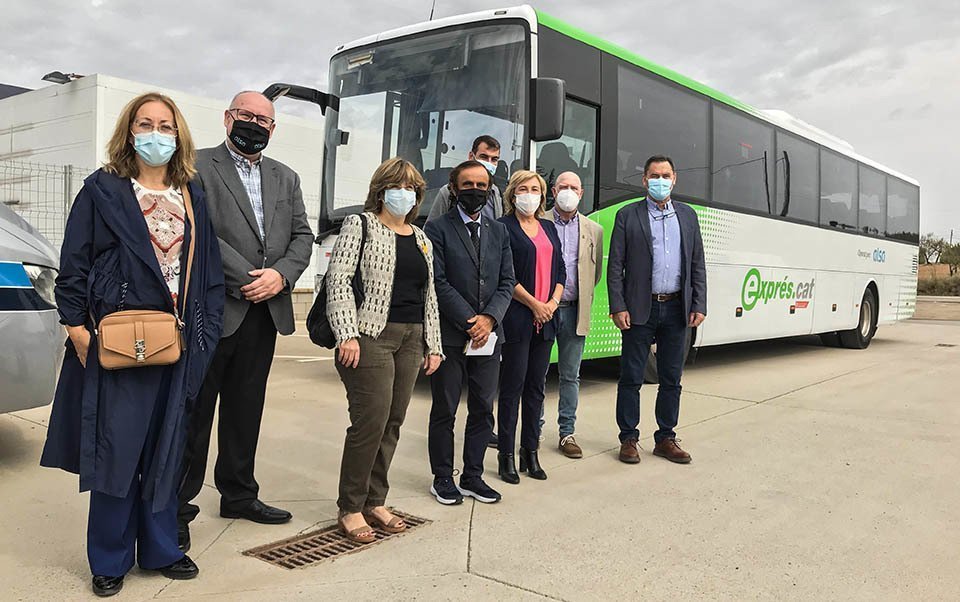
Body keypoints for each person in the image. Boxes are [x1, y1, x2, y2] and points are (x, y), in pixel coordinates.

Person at [40, 92, 225, 597]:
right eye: (145, 124)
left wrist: (204, 336)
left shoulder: (192, 193)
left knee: (168, 449)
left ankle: (163, 548)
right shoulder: (102, 190)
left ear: (179, 135)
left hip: (177, 343)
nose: (155, 134)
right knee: (116, 450)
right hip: (118, 342)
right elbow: (74, 264)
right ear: (129, 131)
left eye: (165, 126)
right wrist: (77, 328)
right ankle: (109, 557)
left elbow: (208, 272)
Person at [178, 91, 313, 549]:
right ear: (227, 117)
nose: (254, 124)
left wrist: (281, 276)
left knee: (245, 410)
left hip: (264, 314)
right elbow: (196, 230)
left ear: (273, 129)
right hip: (214, 310)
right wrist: (249, 278)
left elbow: (302, 235)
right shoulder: (196, 166)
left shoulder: (286, 176)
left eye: (264, 119)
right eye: (246, 115)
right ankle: (177, 508)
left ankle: (238, 494)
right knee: (195, 414)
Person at [326, 157, 445, 542]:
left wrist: (433, 344)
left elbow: (429, 296)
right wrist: (347, 334)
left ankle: (375, 500)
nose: (404, 194)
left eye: (411, 188)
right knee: (370, 422)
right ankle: (350, 506)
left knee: (393, 421)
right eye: (397, 186)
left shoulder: (422, 238)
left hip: (412, 338)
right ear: (381, 190)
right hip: (371, 335)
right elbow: (339, 281)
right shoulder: (359, 225)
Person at [424, 160, 515, 505]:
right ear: (453, 188)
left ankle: (473, 476)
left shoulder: (499, 231)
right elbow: (438, 281)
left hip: (489, 338)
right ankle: (442, 478)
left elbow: (507, 281)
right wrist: (469, 321)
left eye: (481, 186)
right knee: (445, 409)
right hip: (451, 334)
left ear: (490, 191)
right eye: (468, 185)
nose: (475, 191)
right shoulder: (437, 229)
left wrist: (489, 319)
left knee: (482, 408)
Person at [607, 155, 707, 465]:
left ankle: (665, 438)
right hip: (640, 307)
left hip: (677, 308)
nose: (660, 181)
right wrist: (618, 306)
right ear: (644, 180)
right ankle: (628, 438)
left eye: (665, 175)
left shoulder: (688, 216)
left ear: (674, 179)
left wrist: (699, 303)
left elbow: (697, 263)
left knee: (672, 378)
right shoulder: (628, 215)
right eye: (654, 176)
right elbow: (616, 265)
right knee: (631, 377)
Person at [496, 170, 565, 483]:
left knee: (536, 389)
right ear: (513, 194)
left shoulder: (548, 227)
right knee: (512, 388)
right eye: (523, 189)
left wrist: (551, 303)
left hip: (547, 319)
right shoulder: (503, 227)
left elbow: (561, 270)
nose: (529, 194)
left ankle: (530, 452)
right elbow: (505, 275)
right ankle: (506, 456)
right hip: (518, 317)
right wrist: (535, 305)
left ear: (543, 195)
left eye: (535, 189)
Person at [545, 171, 604, 458]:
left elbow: (595, 274)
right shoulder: (539, 222)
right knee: (535, 374)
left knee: (570, 376)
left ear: (581, 193)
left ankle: (567, 433)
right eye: (563, 186)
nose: (568, 192)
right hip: (542, 311)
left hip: (574, 311)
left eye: (574, 188)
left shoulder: (594, 230)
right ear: (553, 191)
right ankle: (532, 429)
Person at [425, 135, 504, 223]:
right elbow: (431, 228)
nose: (489, 163)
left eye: (494, 159)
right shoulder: (448, 192)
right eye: (484, 157)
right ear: (471, 156)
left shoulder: (496, 193)